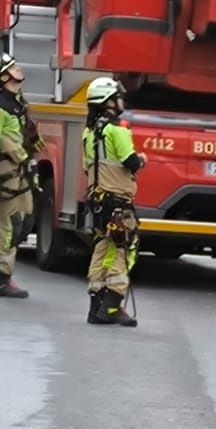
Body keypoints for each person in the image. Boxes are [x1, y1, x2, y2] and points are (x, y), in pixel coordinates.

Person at [84, 76, 145, 327]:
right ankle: (111, 305)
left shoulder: (89, 133)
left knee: (101, 250)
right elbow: (131, 161)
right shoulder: (118, 130)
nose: (120, 101)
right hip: (118, 202)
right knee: (121, 251)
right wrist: (143, 159)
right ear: (108, 102)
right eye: (116, 97)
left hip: (98, 201)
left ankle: (96, 306)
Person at [0, 53, 39, 299]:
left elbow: (25, 137)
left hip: (21, 171)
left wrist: (32, 166)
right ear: (3, 76)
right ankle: (2, 279)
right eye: (12, 67)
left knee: (26, 223)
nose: (18, 68)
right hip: (6, 172)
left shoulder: (18, 102)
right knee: (11, 224)